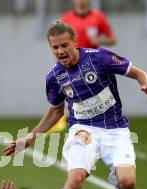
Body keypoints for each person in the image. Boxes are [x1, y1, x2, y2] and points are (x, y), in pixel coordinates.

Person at [3, 22, 147, 189]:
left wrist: (145, 82)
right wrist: (30, 138)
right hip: (83, 130)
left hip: (116, 130)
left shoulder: (99, 58)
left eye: (64, 45)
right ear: (50, 47)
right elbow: (55, 111)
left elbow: (137, 72)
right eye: (55, 47)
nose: (60, 51)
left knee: (128, 184)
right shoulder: (54, 77)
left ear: (75, 42)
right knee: (75, 179)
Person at [49, 0, 117, 133]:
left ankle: (109, 122)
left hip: (93, 65)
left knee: (98, 97)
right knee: (71, 95)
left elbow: (113, 38)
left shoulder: (98, 17)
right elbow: (58, 43)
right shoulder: (66, 19)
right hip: (72, 66)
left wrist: (101, 40)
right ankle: (65, 120)